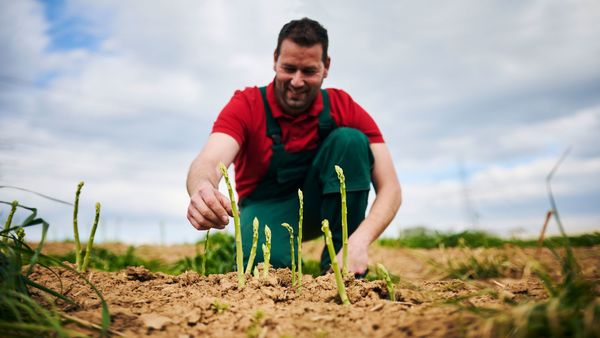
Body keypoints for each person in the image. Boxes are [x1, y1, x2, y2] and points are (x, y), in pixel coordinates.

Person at [186, 17, 401, 275]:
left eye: (309, 71)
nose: (297, 82)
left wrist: (359, 240)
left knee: (350, 141)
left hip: (317, 207)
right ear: (275, 59)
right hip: (266, 207)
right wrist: (202, 188)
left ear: (326, 66)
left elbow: (391, 188)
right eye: (288, 68)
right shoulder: (247, 104)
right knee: (264, 273)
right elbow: (209, 160)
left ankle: (340, 267)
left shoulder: (342, 106)